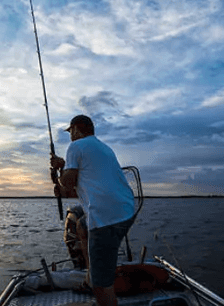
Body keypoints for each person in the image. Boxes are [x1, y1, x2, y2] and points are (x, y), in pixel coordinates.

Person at [51, 115, 135, 306]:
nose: (70, 136)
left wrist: (60, 167)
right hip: (126, 211)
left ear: (76, 129)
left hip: (106, 218)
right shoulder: (103, 148)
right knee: (81, 224)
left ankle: (96, 283)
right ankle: (91, 277)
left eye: (70, 131)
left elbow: (68, 181)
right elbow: (81, 188)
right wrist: (62, 181)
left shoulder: (76, 146)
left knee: (102, 286)